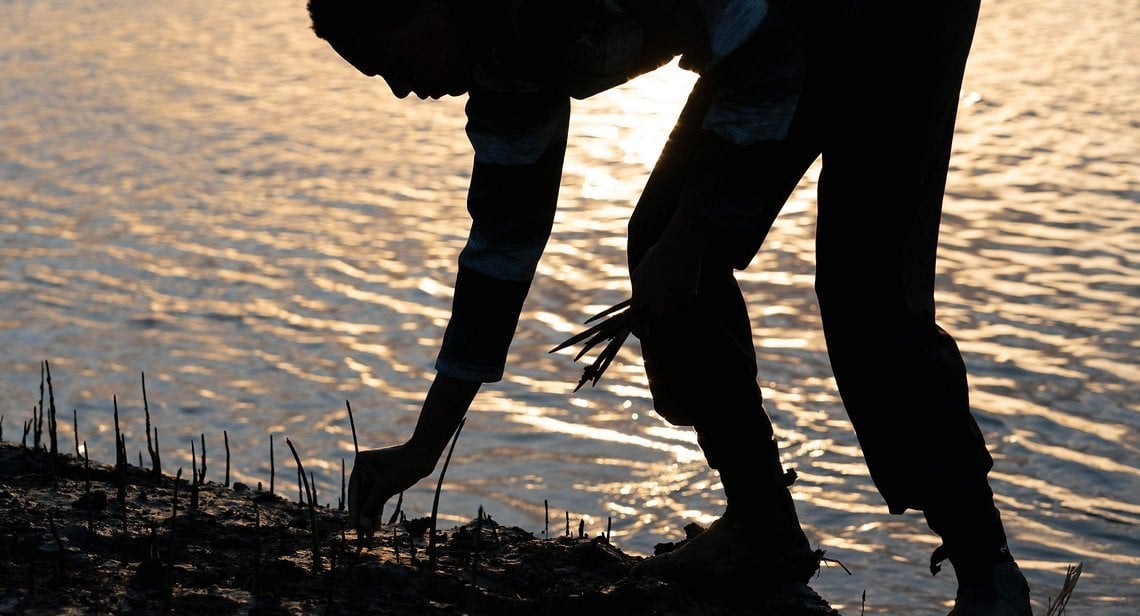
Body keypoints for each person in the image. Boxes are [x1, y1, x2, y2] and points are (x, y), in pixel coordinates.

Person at [308, 1, 1031, 613]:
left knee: (866, 291)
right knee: (659, 234)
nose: (402, 89)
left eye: (395, 60)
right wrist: (423, 447)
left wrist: (693, 238)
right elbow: (499, 253)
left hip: (886, 17)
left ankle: (987, 571)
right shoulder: (503, 68)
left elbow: (766, 51)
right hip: (769, 27)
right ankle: (762, 525)